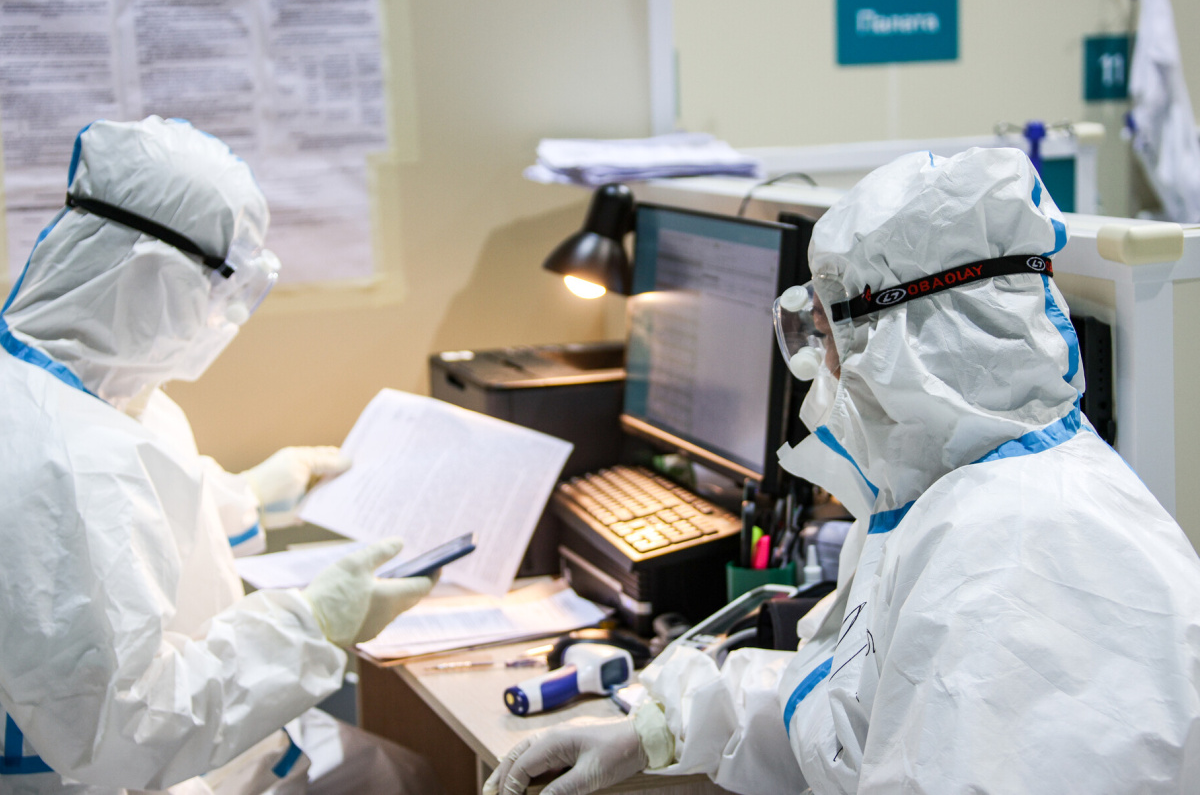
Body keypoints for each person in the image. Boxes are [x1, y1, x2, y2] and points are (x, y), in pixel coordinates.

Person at [484, 147, 1200, 795]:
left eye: (827, 334)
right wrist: (657, 729)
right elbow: (842, 707)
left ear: (908, 342)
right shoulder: (947, 502)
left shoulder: (1021, 554)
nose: (817, 367)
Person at [0, 117, 440, 795]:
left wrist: (244, 497)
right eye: (221, 285)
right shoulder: (65, 457)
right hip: (121, 775)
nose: (226, 315)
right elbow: (125, 730)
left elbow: (124, 535)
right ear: (150, 275)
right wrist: (312, 624)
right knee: (404, 777)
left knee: (398, 771)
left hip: (185, 739)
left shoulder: (84, 387)